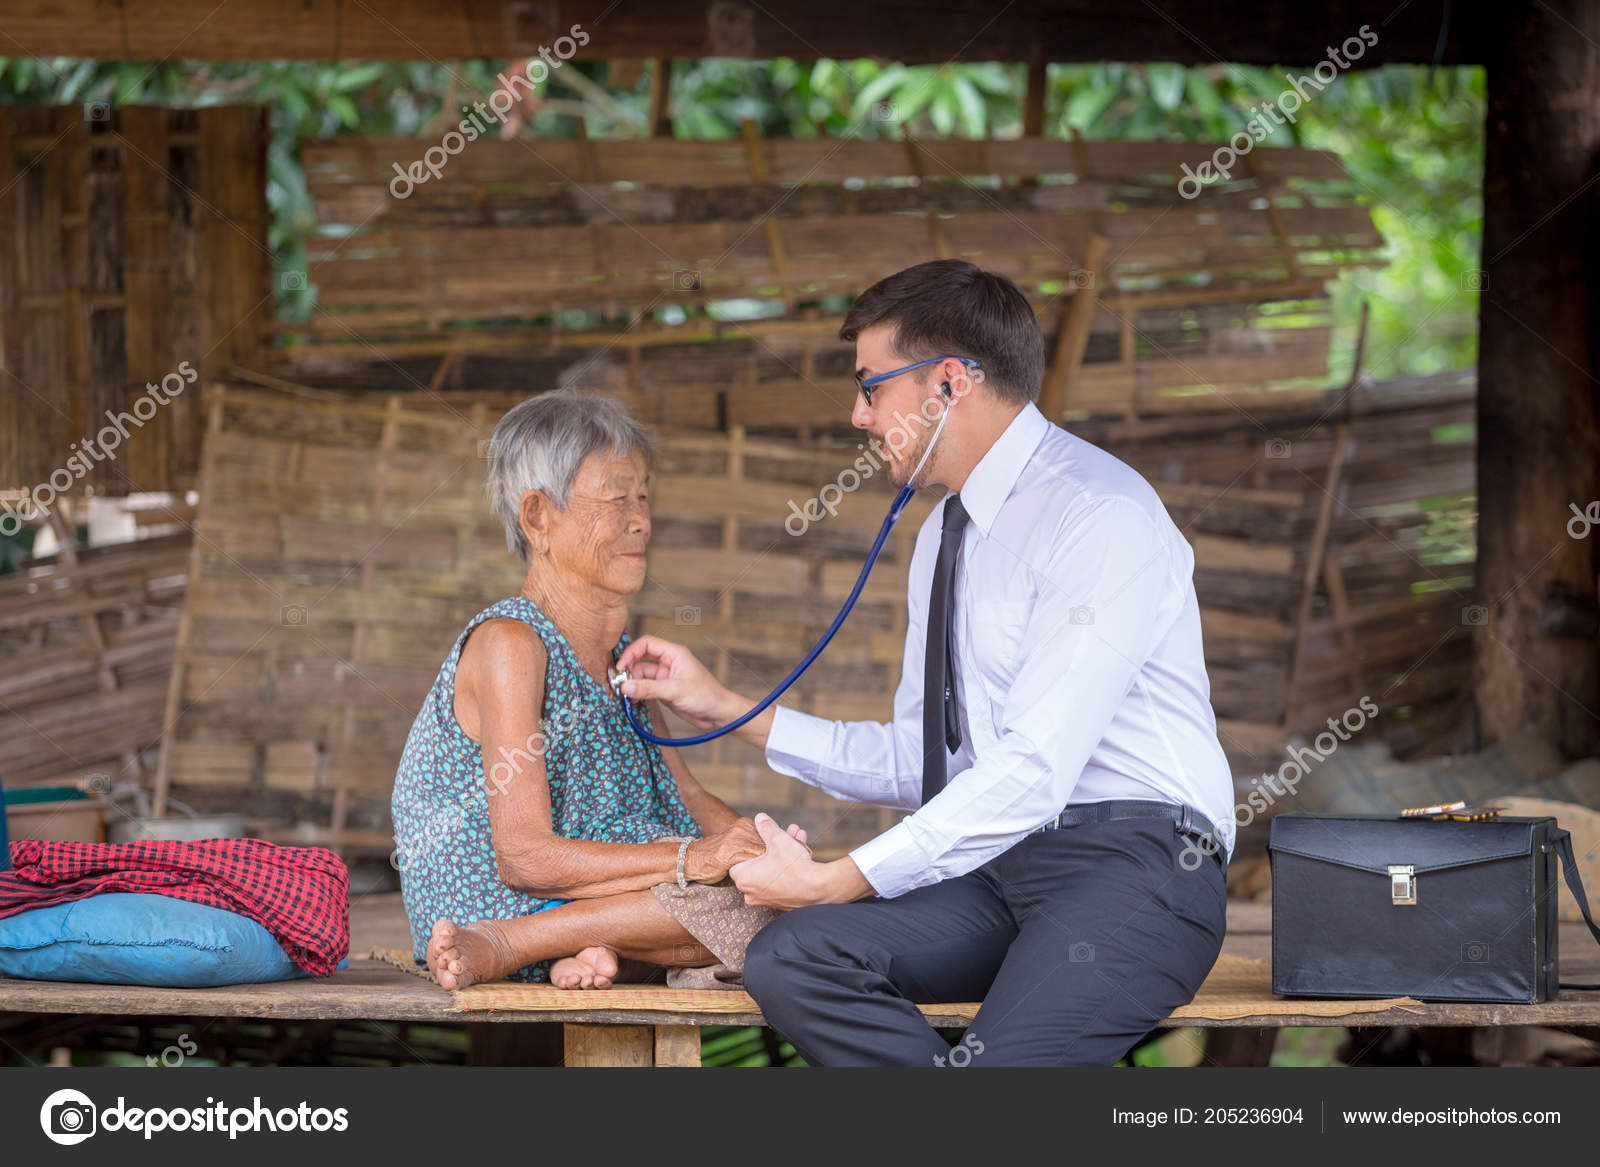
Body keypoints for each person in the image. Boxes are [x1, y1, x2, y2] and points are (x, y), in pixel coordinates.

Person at [614, 258, 1236, 1065]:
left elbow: (1036, 768)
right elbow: (928, 762)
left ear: (948, 383)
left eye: (871, 387)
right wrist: (731, 709)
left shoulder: (1098, 514)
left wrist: (839, 877)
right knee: (793, 956)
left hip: (1139, 864)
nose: (859, 415)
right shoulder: (945, 534)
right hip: (1001, 865)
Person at [389, 391, 806, 991]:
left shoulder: (620, 660)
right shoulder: (511, 645)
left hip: (608, 897)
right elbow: (524, 857)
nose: (640, 522)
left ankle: (590, 949)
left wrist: (774, 855)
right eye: (616, 499)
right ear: (539, 518)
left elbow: (687, 797)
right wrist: (699, 859)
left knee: (784, 901)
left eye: (643, 498)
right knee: (746, 912)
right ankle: (512, 945)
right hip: (497, 904)